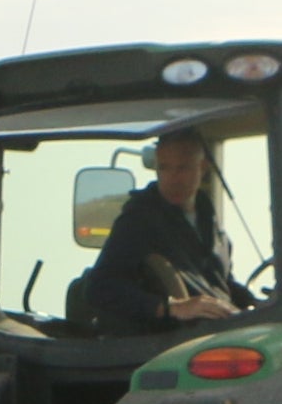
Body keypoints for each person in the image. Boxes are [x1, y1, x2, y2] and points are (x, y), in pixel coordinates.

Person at [75, 123, 258, 336]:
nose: (173, 179)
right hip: (171, 345)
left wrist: (259, 305)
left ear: (202, 167)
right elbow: (100, 287)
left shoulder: (213, 227)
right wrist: (172, 307)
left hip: (224, 333)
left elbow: (221, 284)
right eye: (164, 167)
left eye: (183, 168)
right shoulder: (140, 220)